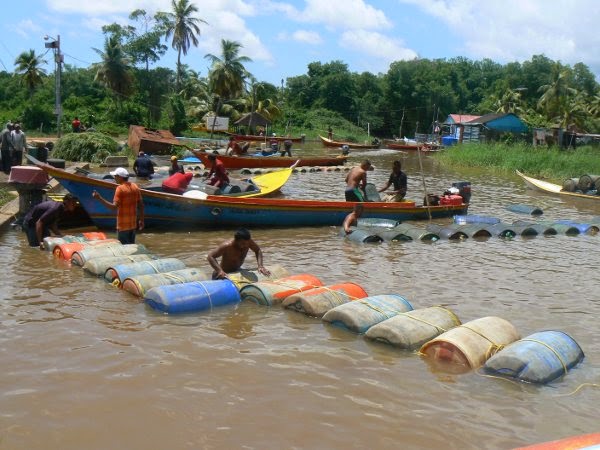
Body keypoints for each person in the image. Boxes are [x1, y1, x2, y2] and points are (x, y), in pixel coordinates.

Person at [92, 167, 144, 244]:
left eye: (115, 176)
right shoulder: (135, 186)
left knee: (124, 248)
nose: (114, 178)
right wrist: (141, 220)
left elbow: (113, 207)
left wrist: (99, 198)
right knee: (131, 246)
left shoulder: (120, 188)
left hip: (123, 227)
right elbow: (141, 205)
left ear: (120, 177)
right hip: (133, 226)